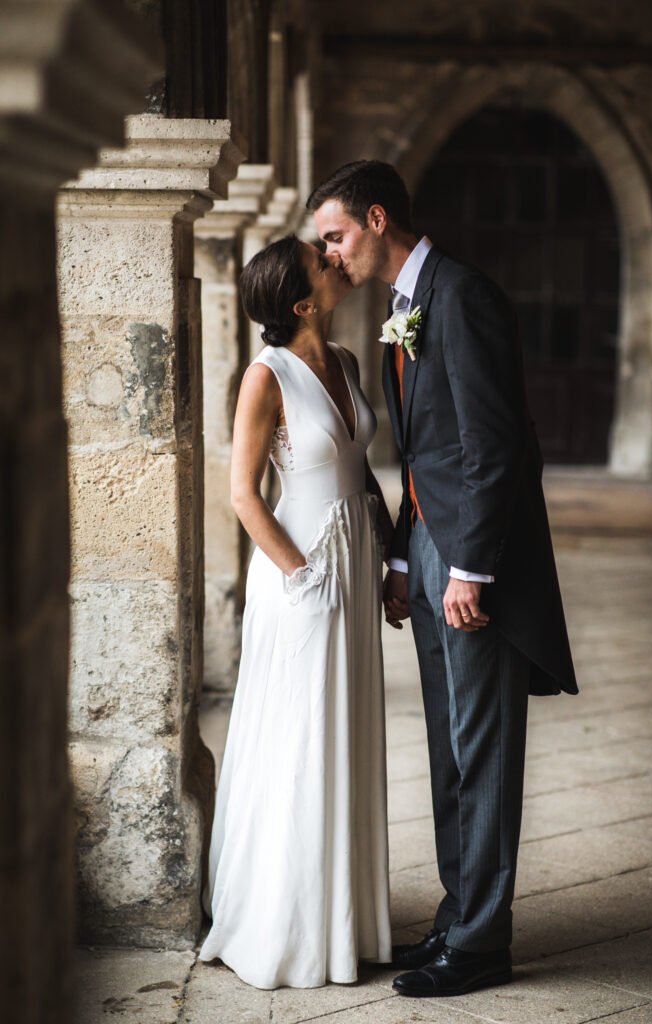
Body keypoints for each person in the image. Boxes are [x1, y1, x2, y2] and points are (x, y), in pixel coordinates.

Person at [308, 161, 578, 998]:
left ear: (377, 219)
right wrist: (401, 556)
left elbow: (494, 447)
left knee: (482, 750)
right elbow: (425, 450)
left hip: (472, 558)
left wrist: (470, 568)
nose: (329, 255)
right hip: (426, 545)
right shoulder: (403, 307)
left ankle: (484, 941)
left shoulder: (461, 296)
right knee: (447, 747)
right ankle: (459, 914)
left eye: (335, 236)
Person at [199, 234, 394, 989]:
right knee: (300, 737)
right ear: (300, 301)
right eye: (322, 260)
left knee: (344, 733)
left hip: (355, 565)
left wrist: (388, 558)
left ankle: (346, 920)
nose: (335, 258)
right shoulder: (265, 374)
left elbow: (360, 472)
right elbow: (244, 494)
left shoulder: (344, 362)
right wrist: (303, 575)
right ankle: (288, 924)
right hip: (302, 576)